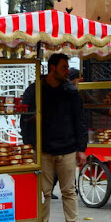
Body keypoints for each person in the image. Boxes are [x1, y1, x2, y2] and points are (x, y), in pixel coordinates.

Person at [20, 54, 88, 222]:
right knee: (43, 192)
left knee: (69, 190)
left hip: (67, 148)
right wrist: (30, 144)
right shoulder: (34, 91)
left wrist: (81, 149)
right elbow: (24, 120)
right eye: (64, 67)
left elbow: (80, 121)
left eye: (67, 67)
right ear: (52, 68)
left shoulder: (71, 92)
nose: (68, 71)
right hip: (43, 150)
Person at [50, 67, 83, 200]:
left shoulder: (76, 92)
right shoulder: (68, 90)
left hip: (71, 134)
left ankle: (70, 188)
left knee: (64, 165)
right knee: (62, 165)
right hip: (64, 136)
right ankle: (68, 188)